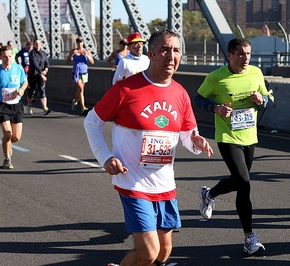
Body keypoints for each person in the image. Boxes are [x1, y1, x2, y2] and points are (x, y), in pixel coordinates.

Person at [84, 29, 213, 266]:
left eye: (176, 51)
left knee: (164, 253)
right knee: (148, 253)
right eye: (164, 50)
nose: (170, 56)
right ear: (151, 54)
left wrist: (195, 141)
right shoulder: (126, 89)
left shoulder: (180, 93)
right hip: (133, 182)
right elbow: (92, 122)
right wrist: (105, 157)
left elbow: (187, 133)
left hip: (165, 184)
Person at [194, 37, 273, 255]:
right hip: (227, 137)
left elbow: (269, 98)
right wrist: (215, 108)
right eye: (240, 54)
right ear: (229, 55)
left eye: (248, 53)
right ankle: (249, 238)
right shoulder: (216, 77)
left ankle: (209, 194)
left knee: (239, 182)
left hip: (249, 136)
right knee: (245, 184)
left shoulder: (256, 73)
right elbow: (198, 99)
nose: (245, 58)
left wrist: (261, 100)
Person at [0, 45, 28, 169]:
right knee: (7, 134)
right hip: (2, 106)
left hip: (16, 105)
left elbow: (25, 81)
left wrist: (22, 89)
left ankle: (7, 144)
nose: (7, 59)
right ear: (0, 57)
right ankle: (7, 159)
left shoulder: (18, 69)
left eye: (9, 56)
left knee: (16, 137)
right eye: (4, 57)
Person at [66, 36, 94, 114]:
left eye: (81, 42)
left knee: (79, 90)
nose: (79, 43)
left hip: (84, 71)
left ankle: (75, 101)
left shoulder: (87, 51)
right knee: (81, 89)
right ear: (76, 43)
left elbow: (92, 62)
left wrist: (87, 56)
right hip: (76, 72)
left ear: (83, 43)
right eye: (78, 42)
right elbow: (67, 61)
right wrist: (71, 55)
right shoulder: (73, 51)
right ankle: (83, 107)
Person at [28, 38, 51, 115]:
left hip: (41, 75)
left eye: (39, 44)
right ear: (34, 45)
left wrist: (46, 70)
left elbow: (47, 63)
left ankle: (45, 108)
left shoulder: (43, 53)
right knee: (32, 92)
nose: (38, 45)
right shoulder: (32, 53)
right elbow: (35, 65)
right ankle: (29, 106)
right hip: (33, 75)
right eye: (36, 44)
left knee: (42, 91)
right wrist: (41, 74)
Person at [15, 41, 33, 114]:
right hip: (24, 70)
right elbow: (16, 56)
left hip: (31, 70)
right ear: (27, 46)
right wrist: (18, 64)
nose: (30, 49)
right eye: (29, 47)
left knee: (31, 86)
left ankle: (30, 97)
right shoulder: (22, 51)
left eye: (31, 47)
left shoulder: (32, 52)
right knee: (25, 83)